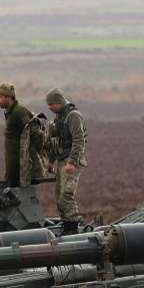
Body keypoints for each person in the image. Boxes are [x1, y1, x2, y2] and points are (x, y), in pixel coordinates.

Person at [45, 88, 87, 235]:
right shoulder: (58, 118)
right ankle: (66, 223)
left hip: (72, 161)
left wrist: (72, 162)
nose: (49, 107)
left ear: (59, 102)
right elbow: (55, 141)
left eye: (52, 104)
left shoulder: (73, 116)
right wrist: (51, 161)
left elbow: (79, 140)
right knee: (59, 196)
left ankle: (72, 227)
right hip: (62, 160)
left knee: (66, 195)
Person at [0, 82, 34, 187]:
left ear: (8, 97)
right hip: (12, 163)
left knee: (20, 191)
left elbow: (34, 132)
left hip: (20, 165)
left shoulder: (19, 112)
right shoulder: (10, 112)